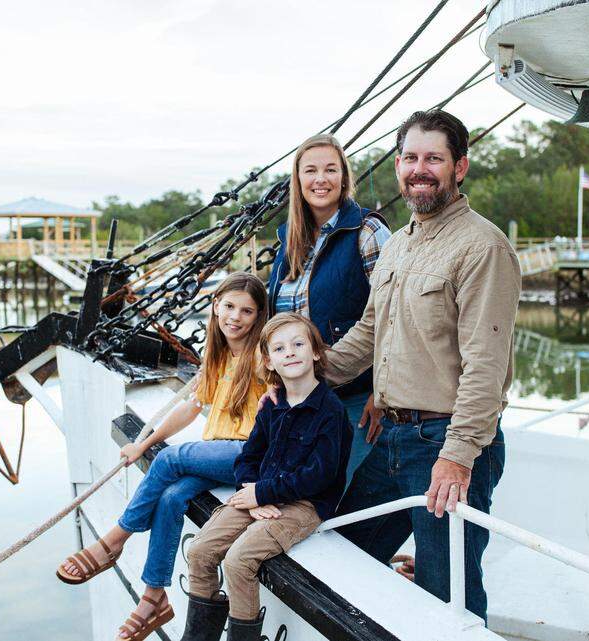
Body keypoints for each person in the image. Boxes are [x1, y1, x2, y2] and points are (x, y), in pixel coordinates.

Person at [324, 110, 521, 621]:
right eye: (411, 158)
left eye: (434, 158)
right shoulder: (397, 245)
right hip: (388, 439)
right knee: (338, 555)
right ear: (397, 166)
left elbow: (486, 366)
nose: (420, 169)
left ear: (460, 168)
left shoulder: (483, 247)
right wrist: (301, 371)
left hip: (446, 444)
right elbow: (369, 333)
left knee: (448, 597)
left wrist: (457, 457)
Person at [55, 272, 269, 641]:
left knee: (169, 461)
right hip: (220, 452)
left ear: (259, 316)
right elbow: (191, 407)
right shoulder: (219, 353)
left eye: (246, 311)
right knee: (171, 497)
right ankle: (154, 597)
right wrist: (143, 443)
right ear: (215, 305)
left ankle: (114, 541)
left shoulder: (262, 355)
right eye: (229, 306)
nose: (235, 317)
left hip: (248, 454)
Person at [178, 312, 351, 641]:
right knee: (201, 550)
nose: (290, 352)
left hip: (304, 503)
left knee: (238, 561)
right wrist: (253, 493)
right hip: (260, 494)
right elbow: (248, 457)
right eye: (280, 348)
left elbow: (320, 475)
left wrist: (263, 494)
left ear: (316, 352)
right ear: (269, 361)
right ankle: (198, 636)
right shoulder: (272, 404)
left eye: (299, 344)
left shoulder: (330, 411)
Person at [266, 133, 391, 484]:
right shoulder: (289, 240)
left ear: (344, 178)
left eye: (330, 169)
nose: (320, 179)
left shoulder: (366, 232)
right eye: (311, 170)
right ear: (298, 180)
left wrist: (382, 393)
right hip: (297, 399)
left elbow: (392, 318)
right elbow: (275, 324)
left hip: (351, 399)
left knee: (330, 499)